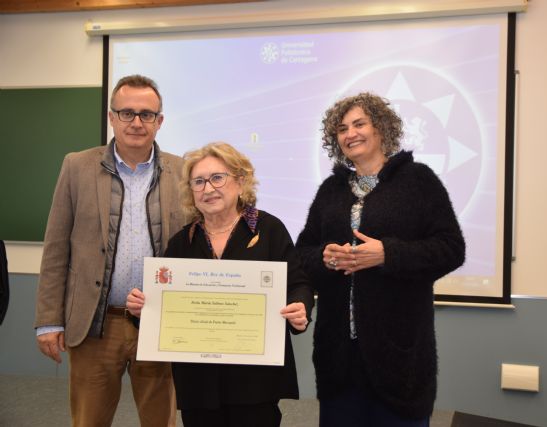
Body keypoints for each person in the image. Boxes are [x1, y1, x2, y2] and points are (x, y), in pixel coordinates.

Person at [296, 92, 466, 427]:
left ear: (381, 129)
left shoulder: (419, 181)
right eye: (342, 128)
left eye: (359, 123)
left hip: (399, 359)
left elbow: (451, 248)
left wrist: (387, 254)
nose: (350, 133)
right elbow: (302, 254)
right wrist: (326, 257)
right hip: (339, 360)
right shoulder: (330, 190)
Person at [126, 142, 314, 427]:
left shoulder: (269, 230)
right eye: (198, 182)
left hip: (254, 379)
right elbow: (160, 305)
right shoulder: (183, 241)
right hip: (198, 384)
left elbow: (298, 284)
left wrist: (300, 307)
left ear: (240, 182)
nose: (207, 188)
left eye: (217, 178)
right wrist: (142, 309)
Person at [34, 74, 183, 427]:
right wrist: (48, 321)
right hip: (96, 324)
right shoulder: (76, 167)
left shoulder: (182, 170)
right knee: (89, 420)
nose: (136, 122)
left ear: (160, 121)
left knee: (161, 420)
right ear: (111, 116)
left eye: (146, 114)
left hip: (160, 322)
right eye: (127, 112)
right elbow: (56, 248)